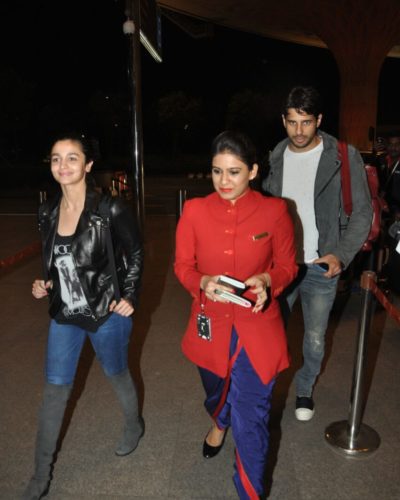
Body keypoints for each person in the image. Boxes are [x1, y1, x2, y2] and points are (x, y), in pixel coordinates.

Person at [175, 131, 297, 499]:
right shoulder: (194, 210)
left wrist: (267, 280)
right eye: (216, 172)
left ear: (254, 171)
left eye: (234, 172)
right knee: (216, 394)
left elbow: (288, 266)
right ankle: (219, 418)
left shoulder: (275, 211)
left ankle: (249, 492)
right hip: (209, 326)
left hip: (257, 328)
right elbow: (182, 266)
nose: (223, 182)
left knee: (252, 418)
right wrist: (202, 282)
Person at [22, 133, 144, 500]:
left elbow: (136, 252)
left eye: (72, 158)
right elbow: (58, 261)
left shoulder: (109, 210)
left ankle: (133, 425)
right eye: (56, 158)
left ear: (88, 165)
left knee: (117, 373)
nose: (63, 165)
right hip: (64, 314)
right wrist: (44, 284)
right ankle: (40, 475)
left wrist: (131, 295)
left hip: (106, 312)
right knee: (54, 393)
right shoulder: (47, 212)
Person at [262, 86, 372, 421]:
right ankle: (267, 394)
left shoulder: (342, 155)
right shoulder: (276, 156)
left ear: (318, 120)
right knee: (270, 335)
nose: (299, 131)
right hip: (282, 266)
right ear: (284, 120)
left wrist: (340, 254)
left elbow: (363, 213)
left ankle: (305, 389)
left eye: (306, 122)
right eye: (293, 122)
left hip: (320, 267)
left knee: (313, 339)